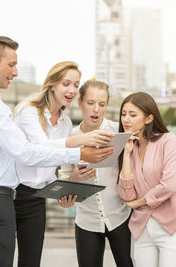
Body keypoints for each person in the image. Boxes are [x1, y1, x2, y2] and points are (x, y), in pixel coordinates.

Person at [0, 34, 114, 267]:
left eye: (76, 85)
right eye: (12, 65)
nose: (15, 72)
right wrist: (80, 151)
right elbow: (28, 152)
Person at [13, 62, 114, 267]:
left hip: (36, 198)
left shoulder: (66, 123)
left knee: (30, 261)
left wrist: (66, 189)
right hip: (12, 193)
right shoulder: (29, 111)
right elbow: (41, 149)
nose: (72, 89)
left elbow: (54, 165)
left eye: (76, 85)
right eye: (66, 83)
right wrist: (84, 141)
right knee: (1, 257)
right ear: (52, 85)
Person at [59, 79, 133, 267]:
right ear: (80, 103)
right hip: (87, 222)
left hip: (121, 217)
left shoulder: (118, 131)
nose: (96, 110)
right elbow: (64, 180)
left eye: (102, 104)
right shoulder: (71, 138)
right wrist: (73, 180)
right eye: (91, 103)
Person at [117, 92, 176, 267]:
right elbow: (126, 195)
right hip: (142, 228)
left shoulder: (168, 140)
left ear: (149, 118)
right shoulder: (128, 147)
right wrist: (127, 153)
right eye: (123, 114)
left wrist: (140, 202)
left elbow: (170, 185)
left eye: (132, 114)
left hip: (172, 225)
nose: (126, 119)